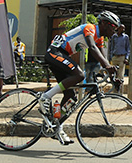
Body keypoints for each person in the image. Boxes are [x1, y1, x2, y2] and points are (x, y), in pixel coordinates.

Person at [37, 11, 121, 145]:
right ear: (104, 23)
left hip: (63, 56)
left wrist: (112, 76)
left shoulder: (99, 38)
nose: (114, 31)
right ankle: (45, 97)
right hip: (55, 52)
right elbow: (92, 47)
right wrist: (107, 66)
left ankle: (56, 126)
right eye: (113, 27)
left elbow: (102, 58)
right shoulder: (90, 28)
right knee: (80, 75)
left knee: (70, 97)